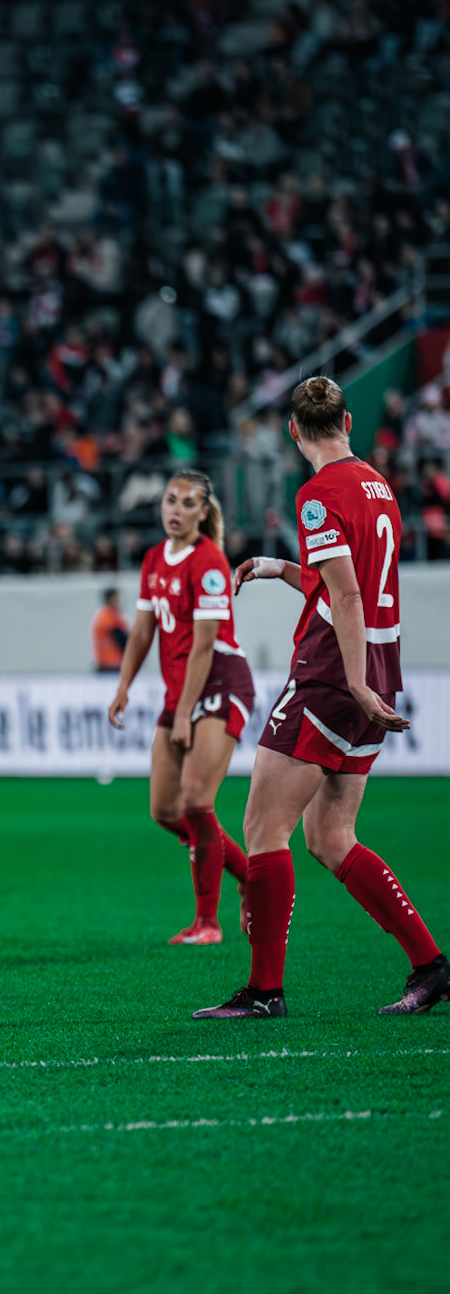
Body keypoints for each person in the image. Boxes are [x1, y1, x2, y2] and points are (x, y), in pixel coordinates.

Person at [195, 377, 449, 1019]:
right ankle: (431, 966)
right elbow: (351, 579)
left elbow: (348, 597)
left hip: (336, 672)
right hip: (377, 664)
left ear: (292, 431)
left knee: (262, 829)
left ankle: (264, 991)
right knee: (331, 835)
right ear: (349, 422)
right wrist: (282, 569)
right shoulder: (377, 484)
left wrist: (355, 685)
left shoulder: (315, 497)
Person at [109, 470, 254, 945]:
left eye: (188, 503)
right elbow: (144, 631)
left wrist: (187, 713)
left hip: (219, 684)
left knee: (195, 800)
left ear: (203, 513)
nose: (176, 509)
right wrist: (124, 686)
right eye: (171, 499)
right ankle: (251, 879)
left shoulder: (209, 561)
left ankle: (207, 923)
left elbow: (205, 646)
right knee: (164, 809)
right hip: (183, 692)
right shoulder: (154, 559)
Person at [90, 587, 128, 673]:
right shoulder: (111, 617)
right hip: (112, 665)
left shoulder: (101, 615)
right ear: (110, 600)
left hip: (104, 664)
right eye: (117, 599)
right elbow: (123, 641)